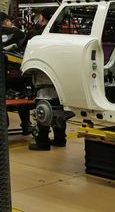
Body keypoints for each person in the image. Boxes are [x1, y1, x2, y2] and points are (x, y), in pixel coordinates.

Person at [28, 8, 67, 150]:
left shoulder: (39, 36)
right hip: (60, 80)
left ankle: (42, 142)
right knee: (59, 110)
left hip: (44, 79)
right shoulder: (61, 34)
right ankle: (60, 139)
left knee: (43, 109)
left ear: (43, 18)